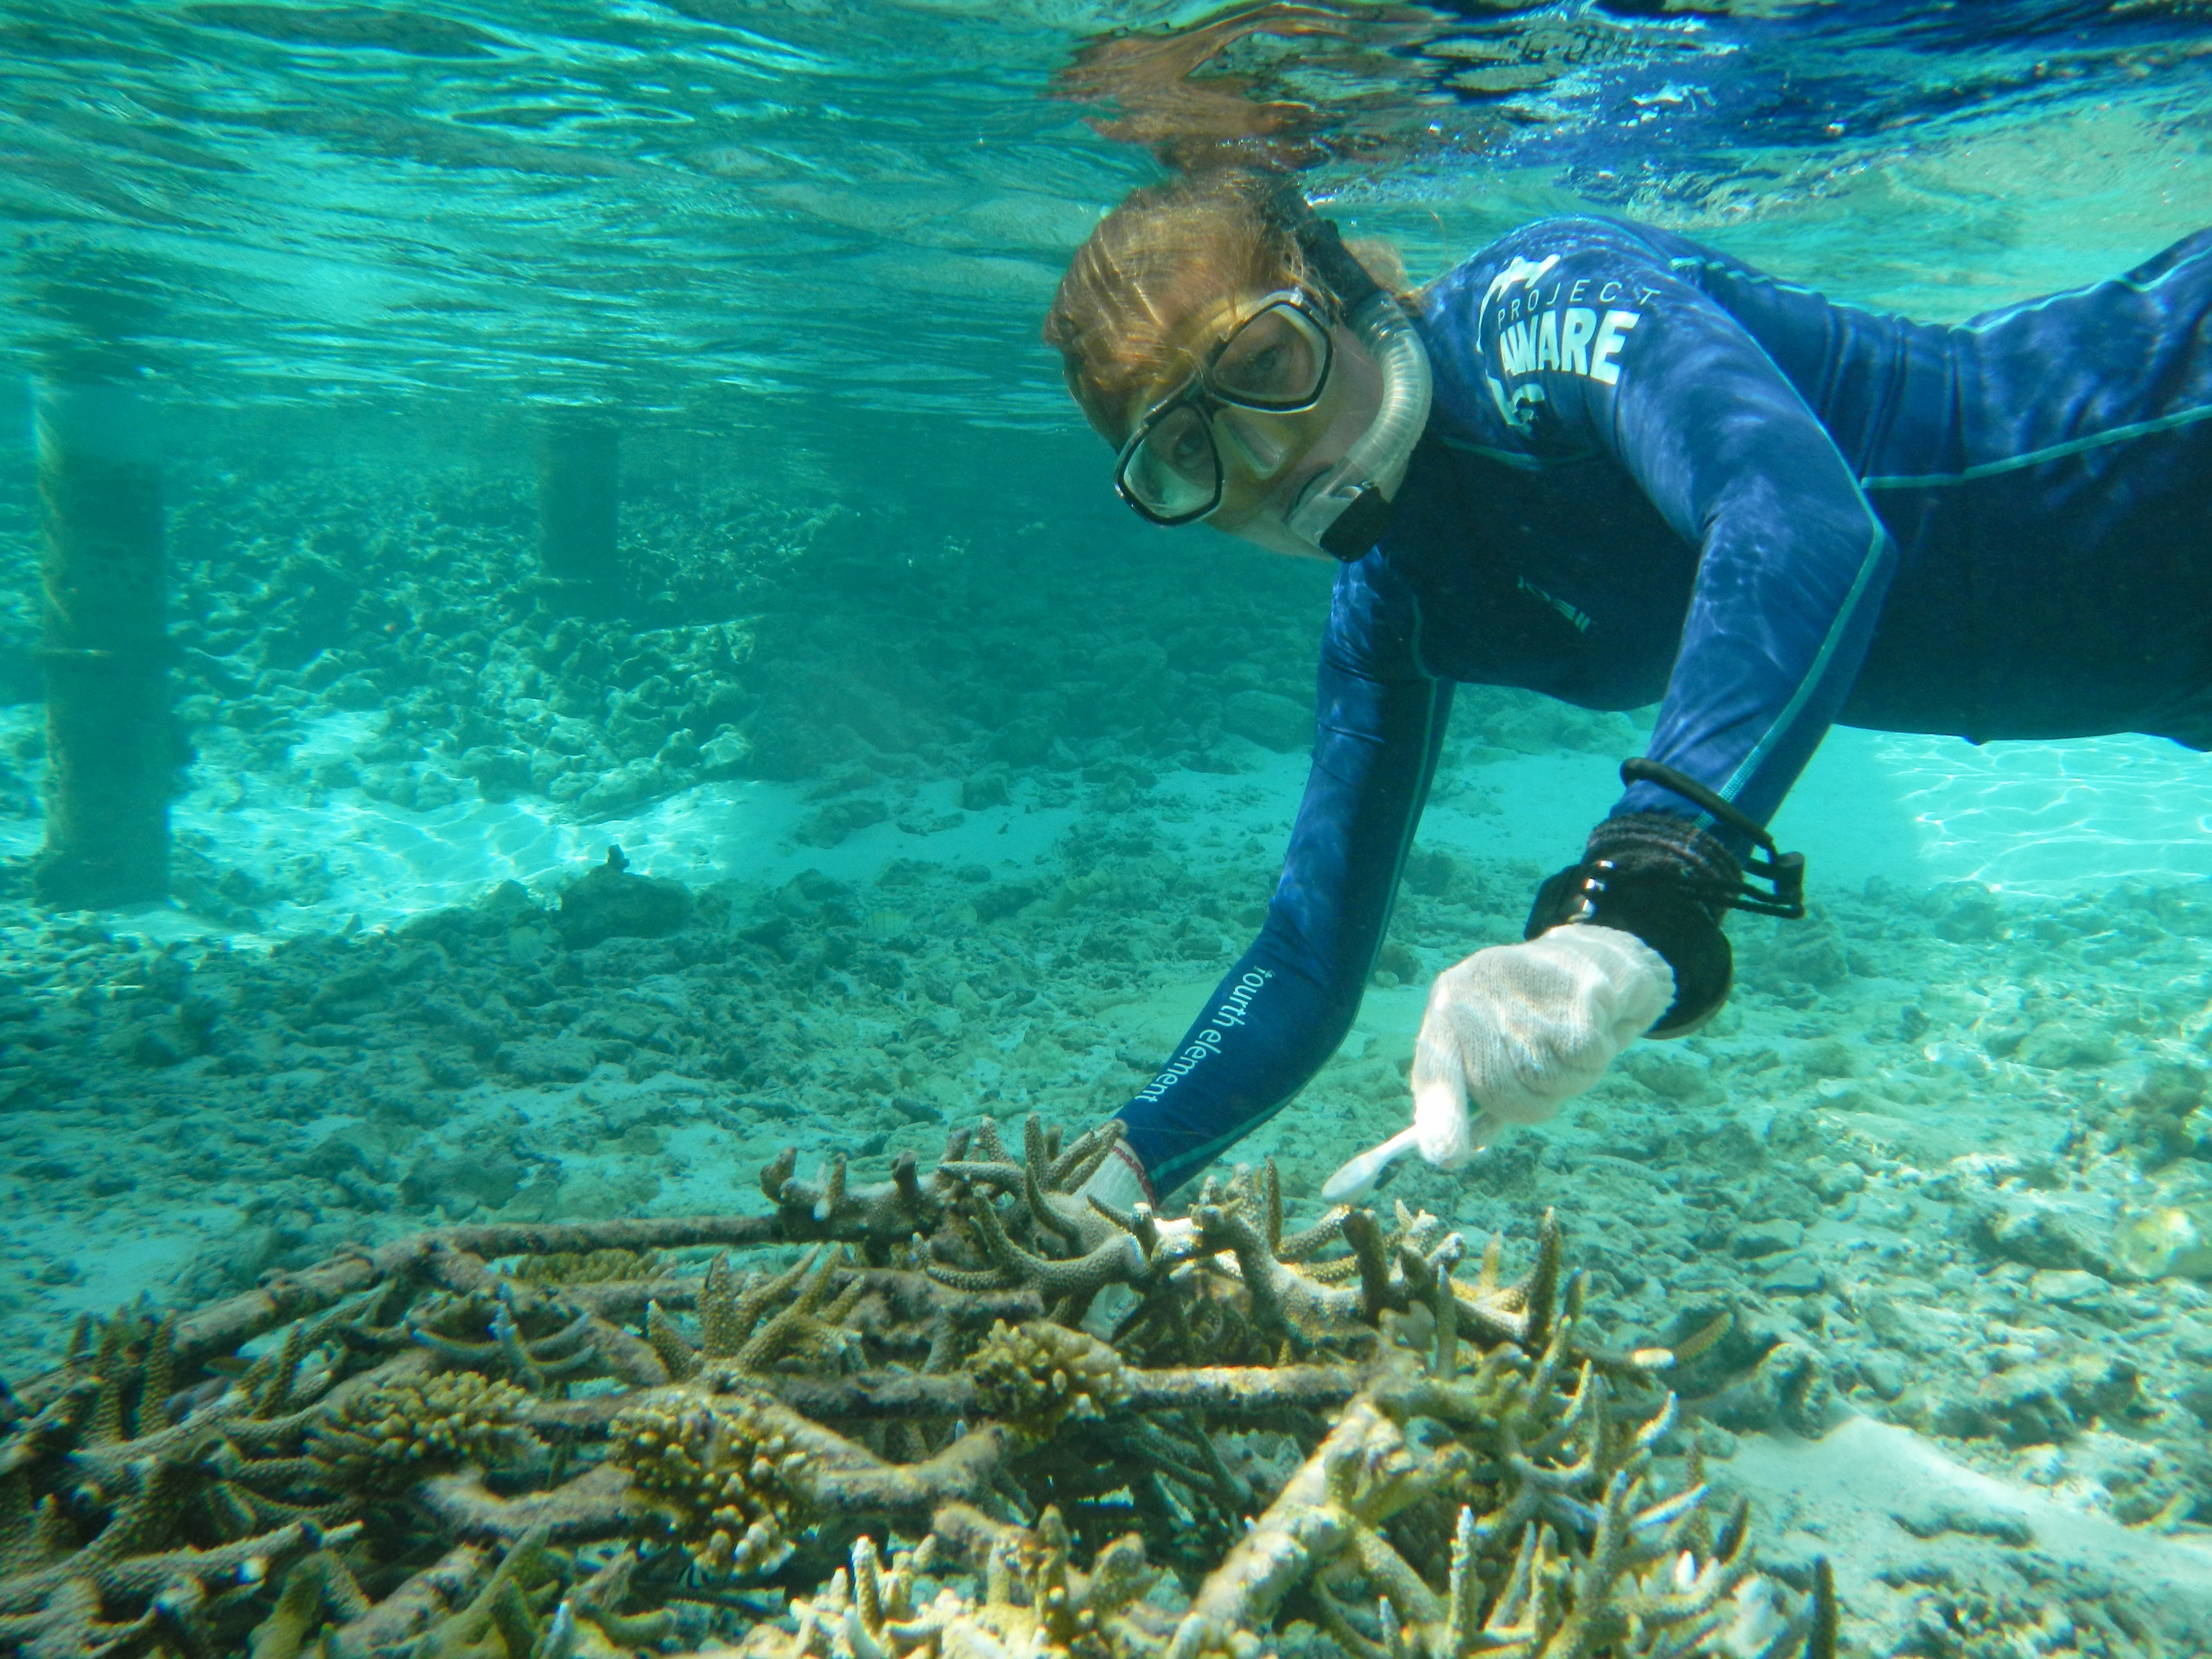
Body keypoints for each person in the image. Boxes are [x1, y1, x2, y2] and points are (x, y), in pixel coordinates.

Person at [1040, 168, 2212, 1209]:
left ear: (1340, 287)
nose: (1267, 459)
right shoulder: (1393, 612)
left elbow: (1802, 522)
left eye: (1264, 367)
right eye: (1188, 454)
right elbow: (1305, 957)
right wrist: (1113, 1176)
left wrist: (1640, 887)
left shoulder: (1532, 313)